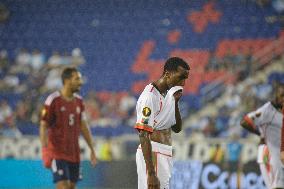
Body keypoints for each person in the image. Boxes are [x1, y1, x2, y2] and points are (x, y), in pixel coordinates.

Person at [135, 57, 190, 189]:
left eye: (185, 79)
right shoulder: (149, 97)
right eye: (180, 77)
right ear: (167, 74)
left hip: (165, 153)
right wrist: (151, 173)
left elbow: (177, 128)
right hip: (154, 152)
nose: (182, 83)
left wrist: (175, 103)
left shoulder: (168, 94)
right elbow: (143, 135)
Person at [39, 67, 97, 189]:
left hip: (74, 153)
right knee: (63, 186)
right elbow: (43, 125)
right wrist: (45, 150)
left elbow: (83, 126)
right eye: (77, 79)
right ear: (67, 81)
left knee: (71, 187)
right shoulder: (53, 100)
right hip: (57, 152)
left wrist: (92, 148)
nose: (80, 82)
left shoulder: (79, 102)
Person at [240, 83, 284, 189]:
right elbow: (245, 121)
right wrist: (260, 134)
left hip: (278, 153)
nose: (283, 98)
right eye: (281, 95)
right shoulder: (268, 109)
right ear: (275, 95)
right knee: (277, 186)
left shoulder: (281, 112)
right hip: (269, 153)